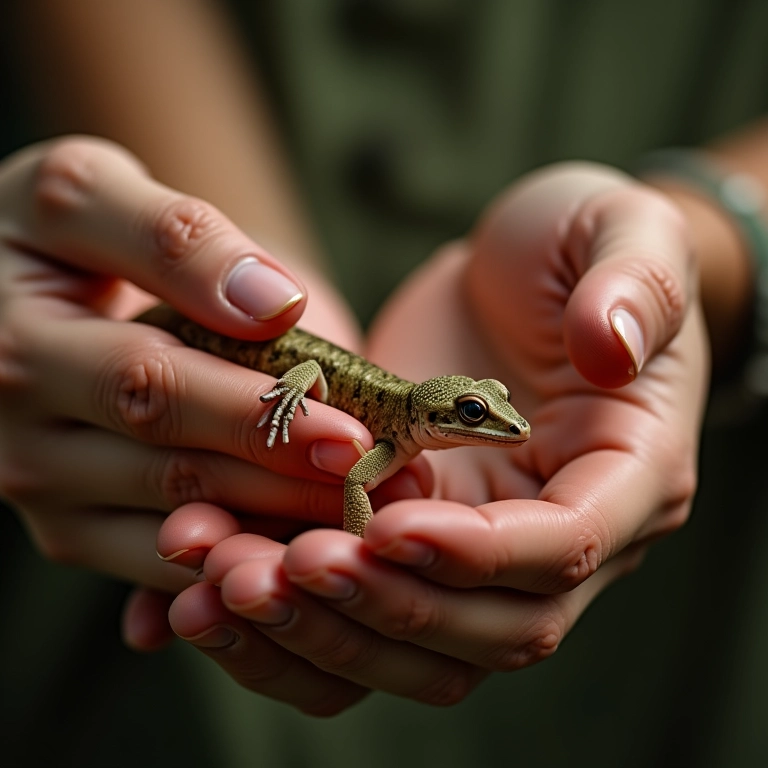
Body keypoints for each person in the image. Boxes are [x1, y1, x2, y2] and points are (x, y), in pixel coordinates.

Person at [1, 1, 767, 765]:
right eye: (475, 413)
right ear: (433, 417)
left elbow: (360, 475)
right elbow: (331, 429)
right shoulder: (388, 439)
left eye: (485, 410)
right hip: (213, 326)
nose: (503, 426)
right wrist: (328, 469)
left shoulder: (401, 439)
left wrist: (712, 248)